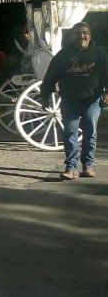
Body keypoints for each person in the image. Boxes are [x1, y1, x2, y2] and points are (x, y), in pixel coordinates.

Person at [40, 22, 108, 180]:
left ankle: (88, 165)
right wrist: (45, 96)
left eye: (85, 33)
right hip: (70, 100)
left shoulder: (99, 53)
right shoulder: (63, 55)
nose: (81, 36)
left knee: (90, 131)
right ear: (72, 36)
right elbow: (51, 76)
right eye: (78, 33)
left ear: (89, 36)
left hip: (92, 99)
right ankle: (71, 167)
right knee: (70, 132)